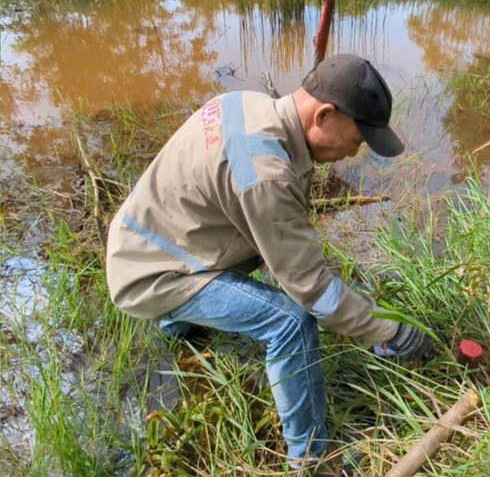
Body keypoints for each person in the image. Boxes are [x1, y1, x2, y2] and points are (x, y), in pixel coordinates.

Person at [105, 54, 435, 474]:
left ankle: (179, 330)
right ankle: (311, 457)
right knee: (291, 321)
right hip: (149, 276)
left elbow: (274, 229)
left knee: (271, 256)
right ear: (324, 114)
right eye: (357, 139)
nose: (354, 153)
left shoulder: (249, 103)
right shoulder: (266, 173)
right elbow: (310, 287)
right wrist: (388, 330)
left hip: (143, 239)